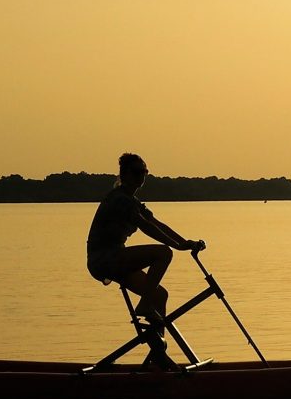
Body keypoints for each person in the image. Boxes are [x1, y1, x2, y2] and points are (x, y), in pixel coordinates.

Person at [86, 153, 204, 368]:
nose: (142, 177)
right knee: (163, 253)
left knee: (160, 295)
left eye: (145, 172)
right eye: (137, 172)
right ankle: (145, 306)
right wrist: (174, 247)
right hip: (104, 259)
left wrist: (184, 242)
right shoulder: (120, 199)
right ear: (125, 175)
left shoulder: (132, 200)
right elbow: (146, 227)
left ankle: (158, 356)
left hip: (115, 258)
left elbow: (156, 222)